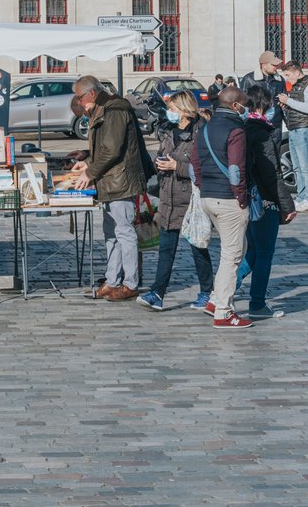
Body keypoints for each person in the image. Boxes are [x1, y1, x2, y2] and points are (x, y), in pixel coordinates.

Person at [69, 76, 149, 301]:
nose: (80, 102)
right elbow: (104, 148)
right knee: (111, 233)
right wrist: (87, 161)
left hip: (120, 181)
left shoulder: (114, 110)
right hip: (110, 181)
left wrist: (90, 173)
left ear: (91, 94)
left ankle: (130, 283)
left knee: (124, 232)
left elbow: (112, 150)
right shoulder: (103, 109)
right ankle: (112, 280)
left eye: (80, 97)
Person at [137, 90, 214, 312]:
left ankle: (206, 292)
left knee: (198, 249)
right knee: (166, 249)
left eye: (172, 108)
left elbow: (203, 168)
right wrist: (159, 165)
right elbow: (162, 154)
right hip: (168, 198)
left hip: (190, 200)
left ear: (182, 110)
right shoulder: (169, 131)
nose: (169, 112)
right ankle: (157, 293)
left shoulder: (201, 133)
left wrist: (176, 167)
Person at [190, 85, 252, 329]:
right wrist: (241, 197)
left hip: (208, 196)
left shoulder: (204, 128)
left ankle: (215, 300)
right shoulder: (236, 129)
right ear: (236, 106)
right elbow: (237, 169)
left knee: (236, 248)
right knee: (232, 255)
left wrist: (203, 185)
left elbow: (194, 163)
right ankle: (223, 313)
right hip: (228, 198)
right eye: (244, 104)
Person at [238, 80, 297, 319]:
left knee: (253, 251)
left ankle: (222, 291)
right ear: (263, 107)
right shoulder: (262, 134)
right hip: (264, 201)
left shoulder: (242, 129)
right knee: (264, 254)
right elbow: (272, 173)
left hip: (249, 199)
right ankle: (257, 303)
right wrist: (287, 205)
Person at [278, 61, 308, 214]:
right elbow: (298, 106)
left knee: (306, 166)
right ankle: (301, 198)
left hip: (304, 129)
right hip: (294, 129)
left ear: (296, 72)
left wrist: (288, 101)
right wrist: (287, 106)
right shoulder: (296, 86)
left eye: (288, 75)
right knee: (297, 167)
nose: (287, 79)